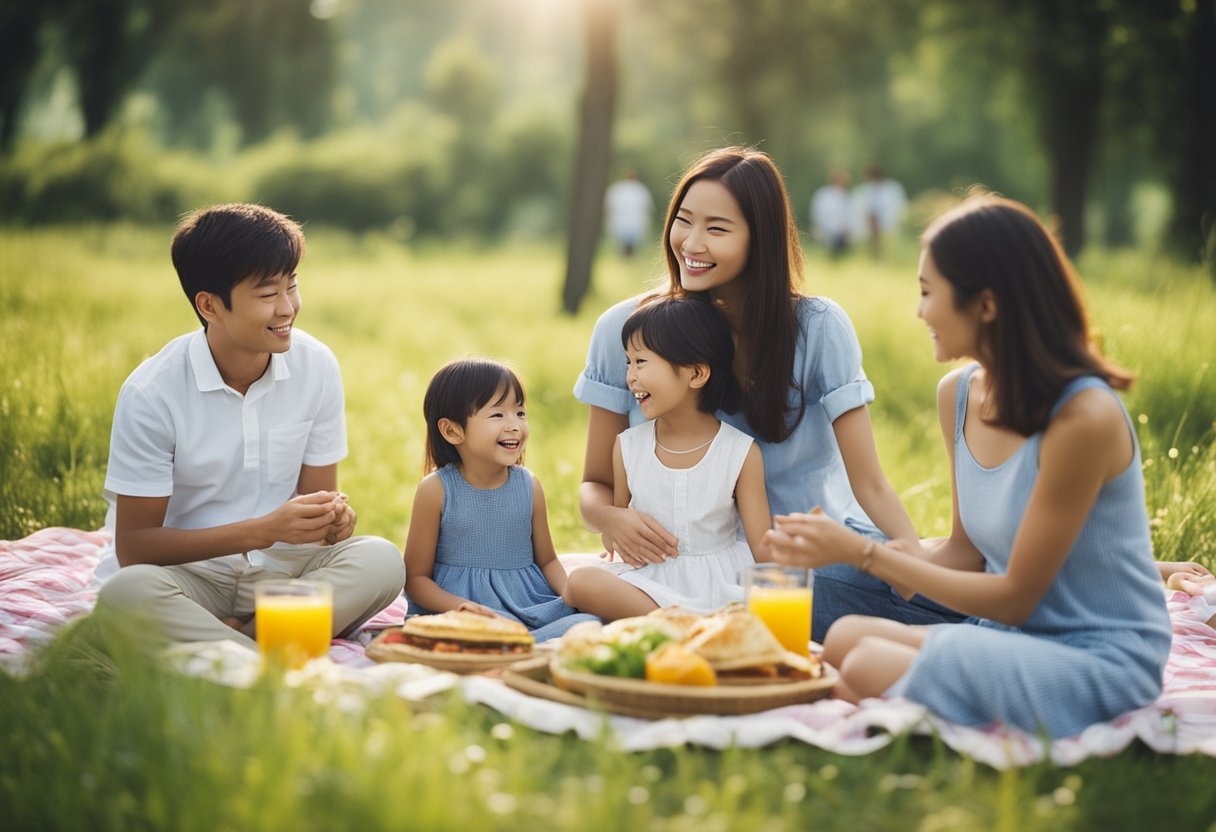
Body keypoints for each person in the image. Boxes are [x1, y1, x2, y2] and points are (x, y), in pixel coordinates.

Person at [765, 193, 1173, 738]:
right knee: (841, 638)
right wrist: (846, 553)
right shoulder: (958, 395)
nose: (920, 311)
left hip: (1097, 656)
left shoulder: (1084, 417)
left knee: (862, 664)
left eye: (929, 292)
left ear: (986, 304)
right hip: (1009, 635)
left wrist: (864, 554)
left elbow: (1016, 595)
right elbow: (965, 552)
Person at [574, 146, 933, 639]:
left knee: (940, 602)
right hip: (676, 565)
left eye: (717, 229)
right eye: (683, 220)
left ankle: (709, 629)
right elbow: (594, 482)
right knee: (581, 592)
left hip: (798, 562)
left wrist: (911, 564)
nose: (691, 243)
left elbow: (869, 484)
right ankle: (706, 629)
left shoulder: (817, 328)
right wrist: (611, 518)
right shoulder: (626, 329)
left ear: (759, 240)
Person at [93, 203, 405, 651]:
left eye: (292, 286)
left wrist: (334, 521)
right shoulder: (152, 393)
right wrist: (264, 529)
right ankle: (265, 653)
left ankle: (236, 646)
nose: (287, 308)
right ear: (210, 305)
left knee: (381, 560)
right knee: (127, 595)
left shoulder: (315, 365)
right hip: (189, 579)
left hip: (282, 576)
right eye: (266, 294)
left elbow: (319, 505)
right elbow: (136, 548)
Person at [563, 296, 772, 621]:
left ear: (697, 373)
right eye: (627, 362)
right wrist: (615, 532)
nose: (630, 376)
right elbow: (616, 537)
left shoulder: (741, 452)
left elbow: (763, 550)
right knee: (579, 582)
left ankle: (683, 626)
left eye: (642, 362)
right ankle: (688, 626)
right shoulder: (628, 447)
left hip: (721, 585)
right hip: (651, 582)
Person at [403, 358, 598, 641]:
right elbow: (415, 578)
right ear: (452, 430)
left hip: (528, 606)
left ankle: (525, 641)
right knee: (477, 636)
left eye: (519, 413)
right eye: (497, 415)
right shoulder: (436, 490)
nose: (514, 425)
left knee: (589, 622)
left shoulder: (528, 486)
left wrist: (571, 593)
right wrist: (460, 607)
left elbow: (547, 561)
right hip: (465, 610)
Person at [854, 165, 906, 259]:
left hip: (888, 223)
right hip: (870, 223)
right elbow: (861, 207)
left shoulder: (892, 188)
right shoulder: (864, 190)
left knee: (886, 243)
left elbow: (899, 206)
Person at [604, 170, 655, 258]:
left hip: (623, 223)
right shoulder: (640, 190)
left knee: (625, 245)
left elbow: (609, 208)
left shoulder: (618, 189)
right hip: (631, 223)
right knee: (626, 245)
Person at [810, 168, 853, 259]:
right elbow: (818, 215)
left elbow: (847, 217)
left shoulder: (845, 196)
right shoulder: (823, 195)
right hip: (826, 231)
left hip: (840, 233)